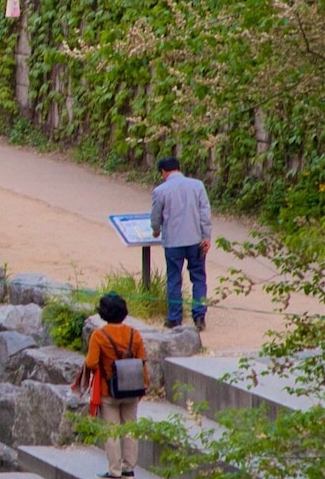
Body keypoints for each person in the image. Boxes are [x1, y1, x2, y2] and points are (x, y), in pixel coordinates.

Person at [85, 294, 146, 478]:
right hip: (132, 388)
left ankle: (115, 471)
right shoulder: (134, 334)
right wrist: (145, 384)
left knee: (111, 431)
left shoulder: (99, 336)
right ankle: (129, 468)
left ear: (103, 313)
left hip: (109, 391)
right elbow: (142, 361)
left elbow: (91, 363)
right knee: (130, 429)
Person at [149, 156, 212, 331]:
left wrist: (156, 230)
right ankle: (199, 316)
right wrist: (206, 237)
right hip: (196, 240)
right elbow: (205, 213)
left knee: (174, 279)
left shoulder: (160, 190)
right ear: (178, 168)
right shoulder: (197, 185)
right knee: (199, 278)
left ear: (163, 172)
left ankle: (174, 317)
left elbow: (156, 216)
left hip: (173, 242)